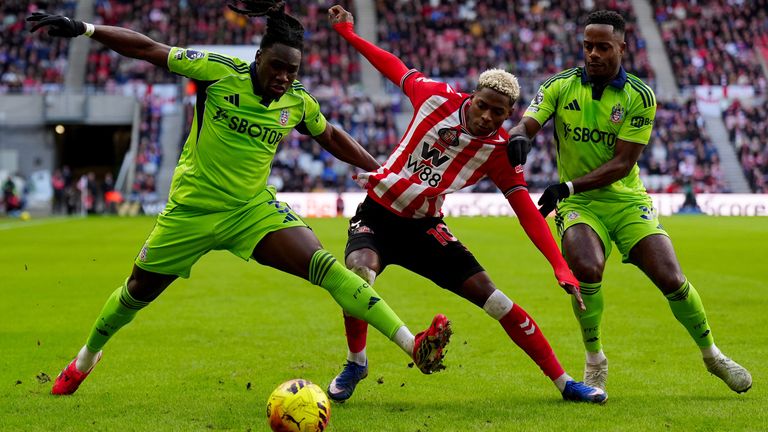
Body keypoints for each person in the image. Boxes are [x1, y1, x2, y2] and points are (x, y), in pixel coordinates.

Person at [27, 0, 452, 396]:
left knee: (326, 268)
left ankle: (411, 344)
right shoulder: (217, 71)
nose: (284, 77)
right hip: (190, 212)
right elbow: (148, 48)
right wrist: (85, 28)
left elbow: (332, 136)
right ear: (259, 59)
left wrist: (380, 171)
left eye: (292, 70)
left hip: (251, 211)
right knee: (137, 291)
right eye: (277, 67)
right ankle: (85, 359)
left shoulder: (297, 101)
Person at [324, 5, 606, 404]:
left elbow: (526, 210)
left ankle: (565, 384)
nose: (487, 117)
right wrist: (348, 34)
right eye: (483, 106)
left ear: (509, 116)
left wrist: (559, 265)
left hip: (425, 228)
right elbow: (391, 65)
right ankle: (356, 362)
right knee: (358, 274)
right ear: (472, 97)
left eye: (499, 113)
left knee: (497, 301)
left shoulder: (498, 151)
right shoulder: (433, 96)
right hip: (377, 214)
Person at [507, 10, 751, 393]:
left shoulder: (640, 96)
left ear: (621, 47)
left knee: (670, 277)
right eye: (587, 46)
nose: (593, 54)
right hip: (581, 206)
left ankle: (712, 355)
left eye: (603, 47)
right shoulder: (559, 85)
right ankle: (594, 360)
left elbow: (622, 164)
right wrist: (519, 135)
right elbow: (528, 121)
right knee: (586, 269)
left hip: (625, 201)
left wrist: (565, 188)